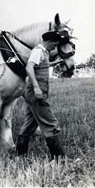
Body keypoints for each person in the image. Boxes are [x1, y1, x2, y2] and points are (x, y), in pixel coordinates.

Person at [16, 31, 65, 160]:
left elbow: (41, 65)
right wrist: (36, 87)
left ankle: (20, 156)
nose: (54, 48)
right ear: (50, 42)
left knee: (30, 124)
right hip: (36, 92)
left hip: (37, 91)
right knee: (50, 123)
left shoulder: (43, 52)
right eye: (55, 45)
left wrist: (54, 63)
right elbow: (29, 68)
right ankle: (59, 159)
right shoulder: (37, 51)